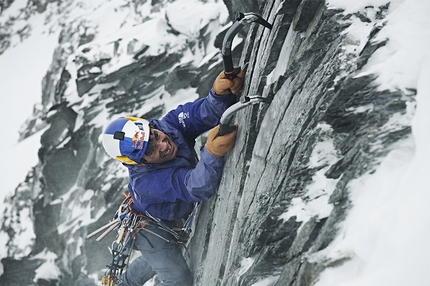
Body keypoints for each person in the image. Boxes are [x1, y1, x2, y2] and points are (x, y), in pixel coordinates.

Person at [101, 69, 245, 286]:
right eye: (150, 151)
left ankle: (125, 284)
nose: (163, 145)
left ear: (151, 126)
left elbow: (202, 113)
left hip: (165, 220)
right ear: (140, 163)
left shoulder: (167, 125)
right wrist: (212, 153)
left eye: (155, 136)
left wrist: (218, 94)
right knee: (178, 279)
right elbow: (196, 187)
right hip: (149, 227)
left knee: (163, 254)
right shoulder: (146, 183)